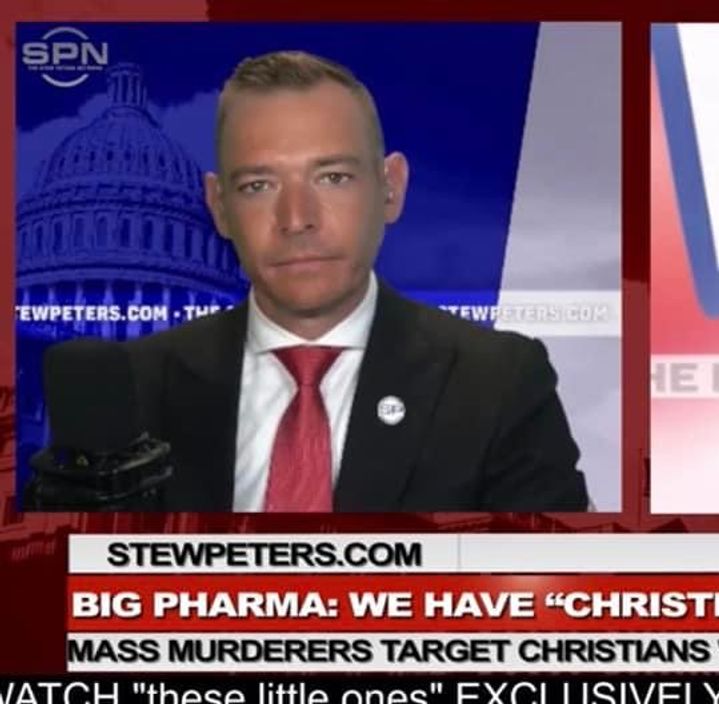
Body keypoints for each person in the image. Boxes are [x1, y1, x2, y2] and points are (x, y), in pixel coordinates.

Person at [121, 50, 588, 512]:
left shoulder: (499, 386)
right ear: (220, 207)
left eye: (333, 177)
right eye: (258, 186)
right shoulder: (132, 390)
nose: (296, 219)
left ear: (391, 188)